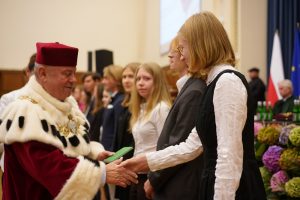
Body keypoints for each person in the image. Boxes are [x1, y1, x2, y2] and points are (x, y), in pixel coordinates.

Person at [122, 12, 266, 200]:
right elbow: (191, 146)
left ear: (200, 45)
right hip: (214, 184)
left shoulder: (227, 81)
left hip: (231, 190)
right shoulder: (212, 82)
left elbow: (228, 157)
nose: (181, 55)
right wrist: (146, 161)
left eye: (182, 48)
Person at [0, 42, 137, 200]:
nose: (73, 79)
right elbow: (48, 166)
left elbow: (72, 140)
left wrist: (94, 153)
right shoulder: (25, 111)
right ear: (43, 74)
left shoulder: (67, 105)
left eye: (74, 73)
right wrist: (102, 172)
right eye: (67, 74)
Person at [134, 36, 206, 199]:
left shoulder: (193, 91)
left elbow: (177, 143)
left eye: (178, 49)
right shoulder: (186, 88)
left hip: (176, 182)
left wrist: (154, 179)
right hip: (164, 176)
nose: (171, 55)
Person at [129, 62, 171, 200]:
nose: (140, 83)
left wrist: (154, 180)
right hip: (137, 174)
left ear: (157, 82)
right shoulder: (141, 108)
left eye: (146, 79)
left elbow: (165, 147)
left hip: (151, 175)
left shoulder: (161, 108)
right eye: (138, 79)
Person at [0, 53, 36, 173]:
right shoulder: (9, 99)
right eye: (36, 73)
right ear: (28, 71)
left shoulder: (58, 101)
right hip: (14, 167)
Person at [113, 62, 140, 200]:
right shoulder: (124, 103)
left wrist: (120, 158)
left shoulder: (140, 105)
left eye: (131, 76)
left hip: (132, 164)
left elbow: (133, 142)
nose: (126, 80)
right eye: (124, 77)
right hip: (121, 161)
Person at [100, 65, 124, 151]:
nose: (103, 81)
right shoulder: (113, 99)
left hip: (111, 152)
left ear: (116, 80)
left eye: (106, 78)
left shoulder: (120, 101)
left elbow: (116, 133)